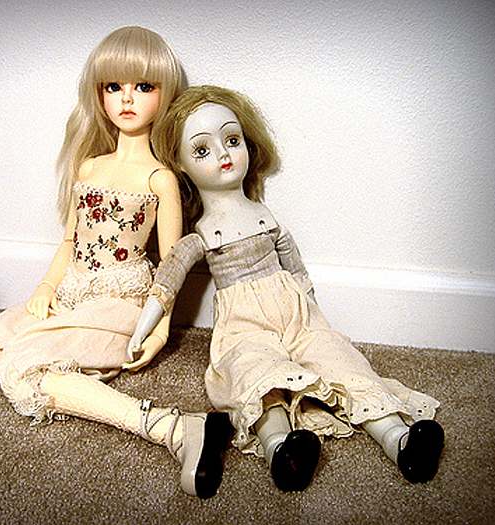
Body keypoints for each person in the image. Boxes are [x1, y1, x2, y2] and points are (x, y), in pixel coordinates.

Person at [0, 29, 231, 499]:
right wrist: (45, 288)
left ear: (164, 94)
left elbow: (171, 264)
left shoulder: (159, 178)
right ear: (98, 94)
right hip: (70, 291)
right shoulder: (89, 167)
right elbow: (70, 240)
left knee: (23, 368)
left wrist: (161, 328)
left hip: (122, 305)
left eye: (144, 86)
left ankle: (172, 428)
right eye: (114, 86)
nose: (127, 98)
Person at [127, 85, 444, 492]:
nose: (224, 154)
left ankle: (399, 439)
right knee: (257, 374)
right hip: (244, 327)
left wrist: (311, 312)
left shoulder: (265, 216)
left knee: (340, 360)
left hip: (297, 316)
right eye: (202, 149)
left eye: (232, 140)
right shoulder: (202, 234)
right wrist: (143, 328)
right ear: (182, 166)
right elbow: (168, 278)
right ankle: (282, 450)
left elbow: (294, 267)